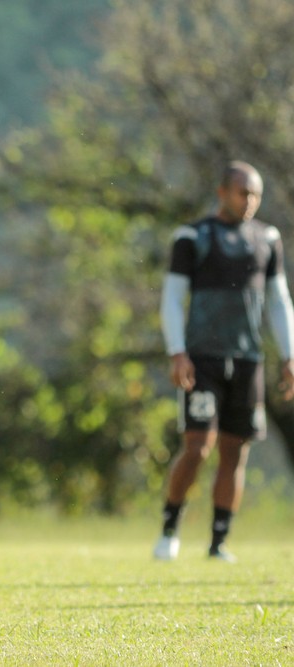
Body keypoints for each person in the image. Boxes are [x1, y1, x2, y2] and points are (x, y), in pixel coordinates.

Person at [154, 160, 294, 563]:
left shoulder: (267, 237)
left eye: (255, 195)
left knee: (236, 452)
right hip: (202, 358)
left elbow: (279, 301)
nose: (249, 202)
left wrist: (288, 356)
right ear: (222, 192)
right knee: (198, 447)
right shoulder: (192, 236)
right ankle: (169, 527)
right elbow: (171, 298)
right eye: (242, 193)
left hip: (247, 359)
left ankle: (218, 542)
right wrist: (177, 351)